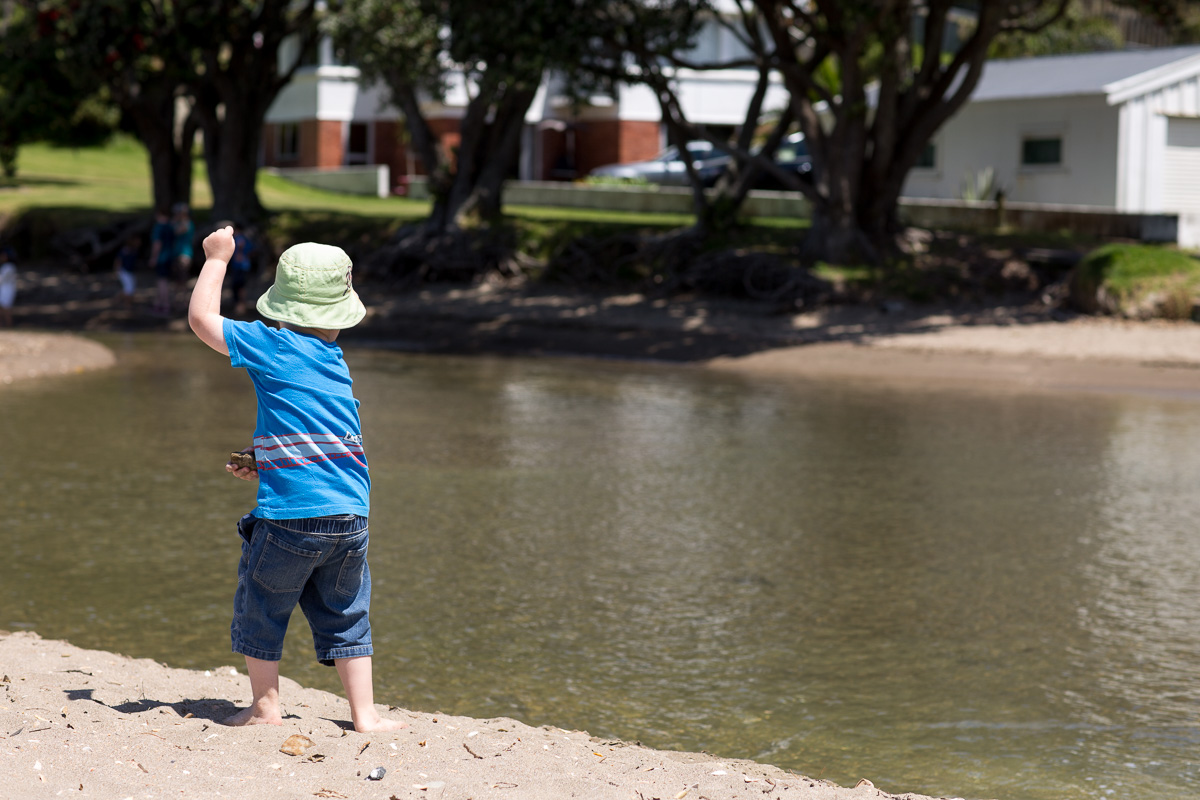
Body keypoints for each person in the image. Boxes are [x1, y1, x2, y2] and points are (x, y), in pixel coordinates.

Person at [188, 226, 404, 733]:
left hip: (291, 520)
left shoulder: (272, 344)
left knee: (262, 608)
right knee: (347, 613)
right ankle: (365, 714)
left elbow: (201, 320)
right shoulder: (335, 362)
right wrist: (267, 463)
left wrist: (217, 259)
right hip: (351, 515)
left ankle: (265, 707)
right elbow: (326, 442)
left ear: (282, 305)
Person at [149, 210, 175, 315]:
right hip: (170, 257)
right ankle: (160, 303)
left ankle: (164, 305)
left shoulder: (159, 227)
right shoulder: (170, 227)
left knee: (161, 282)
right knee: (165, 281)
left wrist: (153, 257)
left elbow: (157, 244)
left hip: (161, 258)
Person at [113, 235, 141, 309]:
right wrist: (117, 271)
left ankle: (118, 299)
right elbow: (118, 260)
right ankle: (127, 304)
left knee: (130, 288)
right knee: (129, 288)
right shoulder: (126, 250)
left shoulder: (134, 250)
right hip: (124, 271)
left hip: (130, 272)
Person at [171, 203, 195, 281]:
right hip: (176, 251)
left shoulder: (188, 223)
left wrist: (180, 218)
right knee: (176, 274)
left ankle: (183, 291)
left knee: (183, 274)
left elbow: (178, 231)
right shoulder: (178, 223)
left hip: (185, 253)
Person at [0, 247, 16, 327]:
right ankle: (3, 325)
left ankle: (9, 325)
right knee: (2, 308)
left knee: (6, 308)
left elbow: (1, 279)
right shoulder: (5, 267)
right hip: (4, 289)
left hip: (7, 290)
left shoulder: (9, 267)